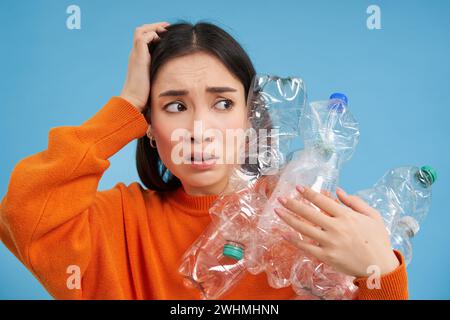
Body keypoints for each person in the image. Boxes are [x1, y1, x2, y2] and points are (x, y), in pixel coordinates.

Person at [0, 21, 408, 299]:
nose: (200, 128)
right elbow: (23, 213)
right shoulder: (116, 222)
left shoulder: (304, 218)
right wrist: (124, 106)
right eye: (175, 106)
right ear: (147, 123)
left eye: (223, 103)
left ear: (251, 117)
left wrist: (380, 273)